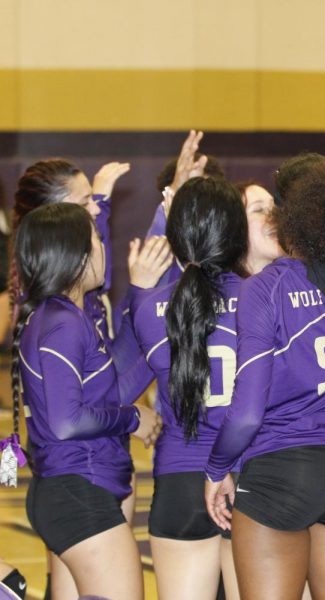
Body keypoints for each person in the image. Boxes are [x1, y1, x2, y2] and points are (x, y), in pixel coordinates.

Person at [204, 160, 325, 599]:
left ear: (286, 217)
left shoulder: (264, 288)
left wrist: (217, 469)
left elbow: (247, 411)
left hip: (281, 470)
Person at [11, 157, 152, 600]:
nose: (102, 245)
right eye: (95, 236)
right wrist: (131, 418)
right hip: (78, 491)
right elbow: (67, 421)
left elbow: (107, 389)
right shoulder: (63, 322)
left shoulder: (65, 317)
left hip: (75, 489)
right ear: (75, 254)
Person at [130, 177, 246, 600]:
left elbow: (120, 384)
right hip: (245, 477)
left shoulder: (147, 305)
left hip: (178, 482)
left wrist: (138, 291)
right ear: (238, 235)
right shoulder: (263, 298)